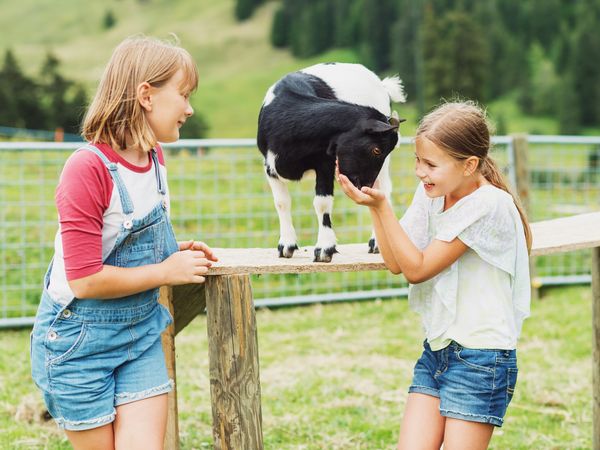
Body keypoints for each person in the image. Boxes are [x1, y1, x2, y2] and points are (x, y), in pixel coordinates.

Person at [30, 35, 217, 450]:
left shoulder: (154, 161)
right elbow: (85, 280)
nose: (189, 108)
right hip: (79, 346)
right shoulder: (87, 169)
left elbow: (127, 241)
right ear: (146, 95)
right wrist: (165, 271)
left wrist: (174, 252)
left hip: (139, 337)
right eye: (183, 95)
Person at [337, 101, 531, 450]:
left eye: (430, 164)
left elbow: (417, 269)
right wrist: (374, 207)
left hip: (481, 358)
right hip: (437, 350)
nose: (419, 172)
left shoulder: (489, 204)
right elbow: (397, 260)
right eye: (416, 161)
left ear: (469, 165)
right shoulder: (434, 192)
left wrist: (383, 208)